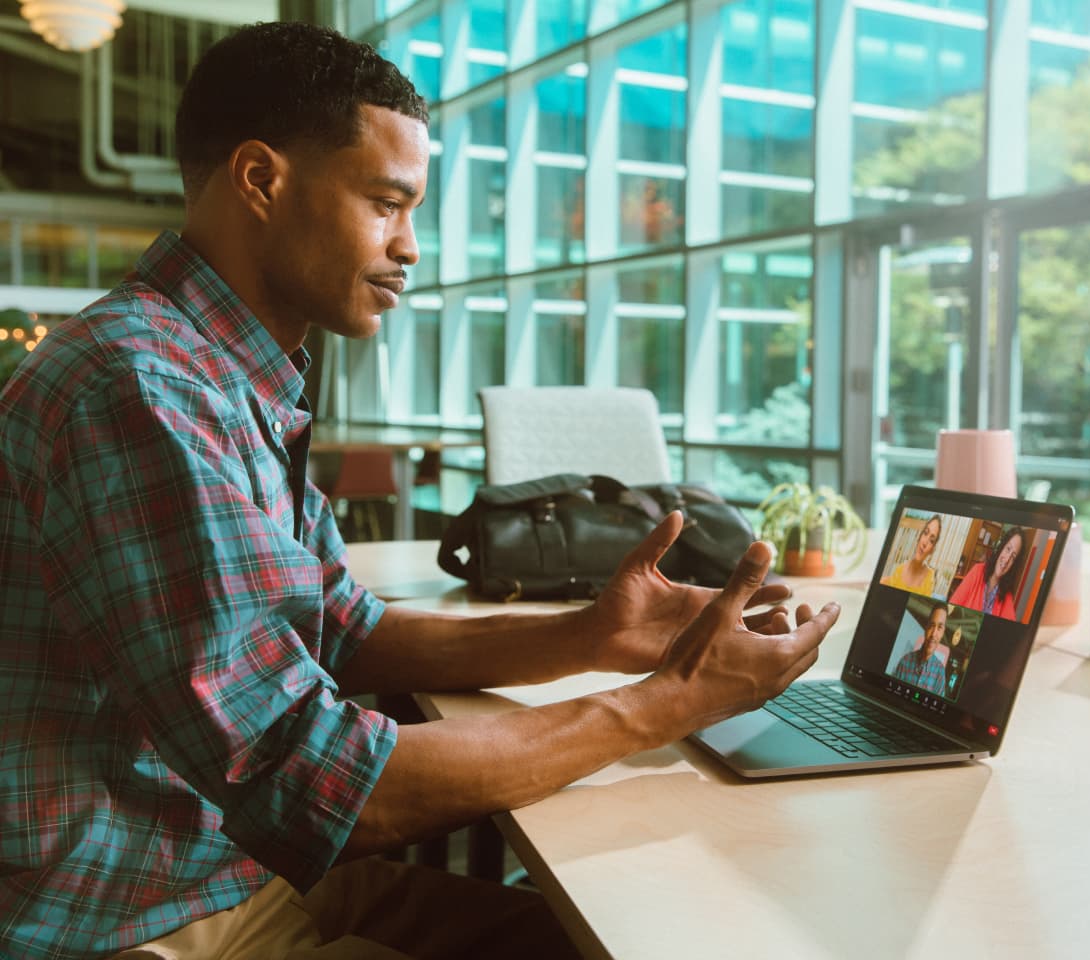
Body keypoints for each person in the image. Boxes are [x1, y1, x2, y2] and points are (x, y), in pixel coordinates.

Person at [0, 23, 842, 960]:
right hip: (130, 918)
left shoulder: (228, 376)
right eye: (385, 204)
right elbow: (311, 778)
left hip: (212, 871)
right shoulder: (139, 387)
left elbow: (342, 628)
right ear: (259, 180)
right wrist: (669, 702)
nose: (409, 247)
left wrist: (589, 636)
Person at [949, 525, 1026, 620]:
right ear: (1001, 547)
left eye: (1013, 557)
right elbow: (952, 606)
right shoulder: (978, 571)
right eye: (1008, 549)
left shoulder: (1006, 595)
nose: (1006, 560)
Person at [890, 602, 949, 696]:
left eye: (939, 627)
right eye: (932, 625)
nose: (934, 634)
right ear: (926, 628)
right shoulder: (905, 661)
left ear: (942, 633)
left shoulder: (940, 673)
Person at [880, 513, 942, 595]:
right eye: (925, 533)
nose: (925, 542)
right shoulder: (899, 570)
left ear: (932, 549)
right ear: (919, 537)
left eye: (931, 540)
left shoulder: (930, 578)